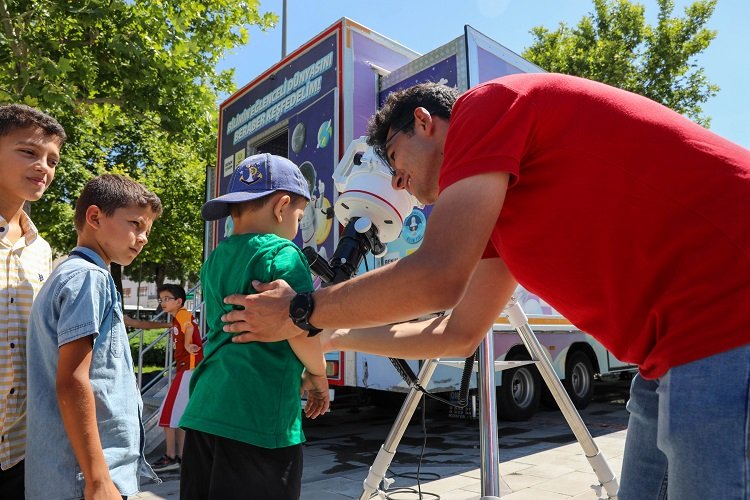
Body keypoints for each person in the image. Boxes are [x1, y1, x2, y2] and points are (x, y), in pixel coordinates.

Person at [219, 74, 750, 499]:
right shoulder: (502, 211)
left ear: (424, 123)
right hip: (670, 354)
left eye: (396, 164)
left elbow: (438, 276)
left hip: (726, 314)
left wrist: (304, 309)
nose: (400, 186)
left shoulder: (486, 106)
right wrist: (336, 337)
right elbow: (458, 333)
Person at [179, 153, 330, 500]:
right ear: (282, 207)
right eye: (299, 216)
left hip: (205, 410)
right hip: (259, 418)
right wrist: (318, 376)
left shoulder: (215, 258)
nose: (297, 224)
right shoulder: (285, 255)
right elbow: (300, 331)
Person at [26, 174, 162, 499]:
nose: (142, 238)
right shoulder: (90, 278)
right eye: (135, 224)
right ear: (95, 217)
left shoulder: (70, 273)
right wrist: (98, 479)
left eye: (147, 231)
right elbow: (73, 381)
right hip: (85, 481)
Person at [0, 104, 66, 500]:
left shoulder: (41, 251)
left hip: (22, 452)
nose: (43, 166)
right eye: (28, 152)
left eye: (52, 159)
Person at [124, 284, 203, 472]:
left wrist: (188, 344)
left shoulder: (183, 315)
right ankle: (181, 457)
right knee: (180, 416)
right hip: (186, 370)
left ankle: (171, 456)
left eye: (167, 298)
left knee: (167, 413)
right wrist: (132, 322)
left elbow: (189, 328)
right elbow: (152, 325)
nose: (163, 302)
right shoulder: (176, 319)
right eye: (161, 299)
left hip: (189, 369)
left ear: (179, 301)